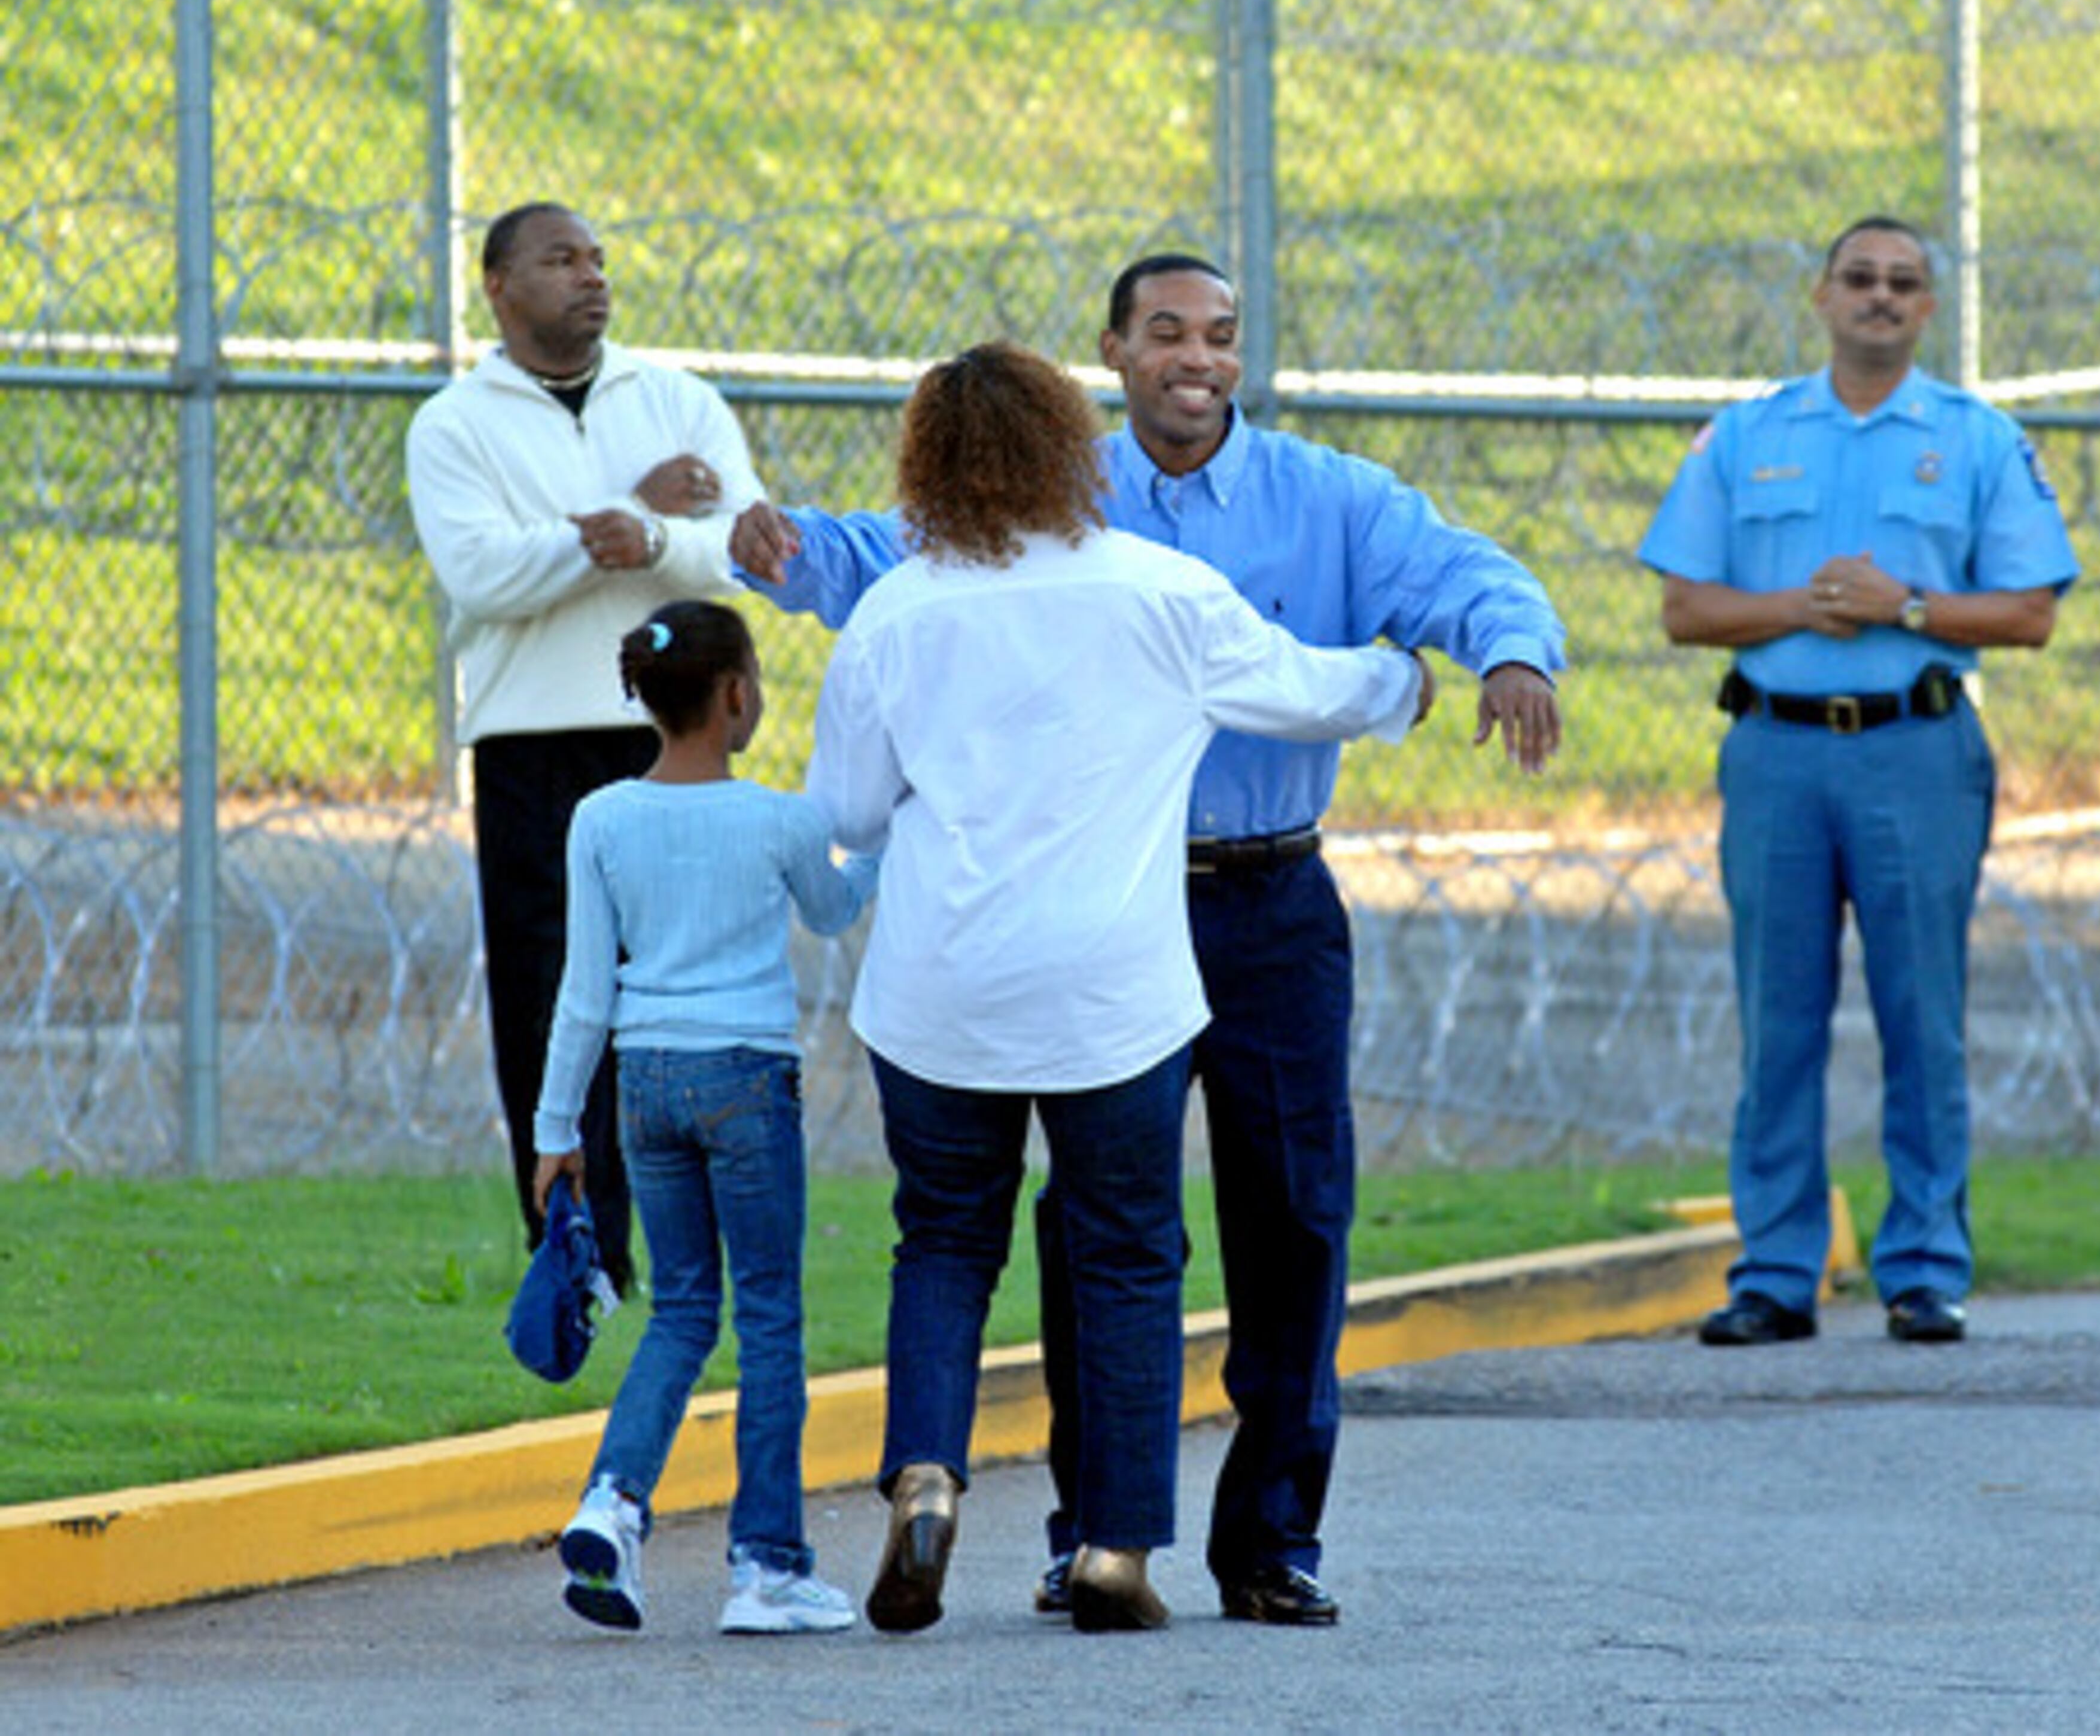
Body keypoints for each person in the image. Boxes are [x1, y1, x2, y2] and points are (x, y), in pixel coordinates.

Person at [732, 254, 1566, 1627]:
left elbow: (854, 802)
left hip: (1203, 919)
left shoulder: (1320, 501)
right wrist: (1402, 687)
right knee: (1108, 1240)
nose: (1200, 356)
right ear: (1105, 366)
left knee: (1238, 1223)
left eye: (1222, 335)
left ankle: (1204, 1529)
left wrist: (1507, 647)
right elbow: (1303, 686)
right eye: (1169, 332)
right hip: (1122, 937)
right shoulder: (1118, 555)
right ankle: (1101, 1541)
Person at [1638, 214, 2079, 1349]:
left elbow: (2030, 610)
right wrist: (1801, 607)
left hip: (1917, 751)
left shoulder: (1978, 440)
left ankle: (1925, 1268)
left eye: (1905, 283)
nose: (1881, 298)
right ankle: (1777, 1274)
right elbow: (1686, 606)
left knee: (1921, 1016)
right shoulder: (1748, 436)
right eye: (1861, 279)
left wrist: (1909, 611)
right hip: (1777, 751)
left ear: (1929, 308)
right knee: (1776, 1018)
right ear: (1823, 296)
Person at [406, 202, 765, 1292]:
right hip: (534, 742)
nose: (591, 278)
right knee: (553, 1000)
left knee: (687, 997)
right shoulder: (455, 426)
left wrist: (651, 535)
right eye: (562, 260)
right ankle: (578, 1250)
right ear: (500, 286)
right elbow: (482, 575)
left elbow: (740, 548)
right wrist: (619, 519)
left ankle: (702, 1246)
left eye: (599, 260)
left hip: (669, 734)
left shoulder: (677, 401)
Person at [534, 601, 876, 1636]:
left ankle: (613, 1503)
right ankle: (767, 1566)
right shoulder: (781, 819)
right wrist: (886, 835)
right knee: (767, 1313)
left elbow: (585, 990)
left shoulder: (600, 818)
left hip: (645, 1085)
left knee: (683, 1311)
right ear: (735, 697)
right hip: (747, 1080)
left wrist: (558, 1130)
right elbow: (832, 910)